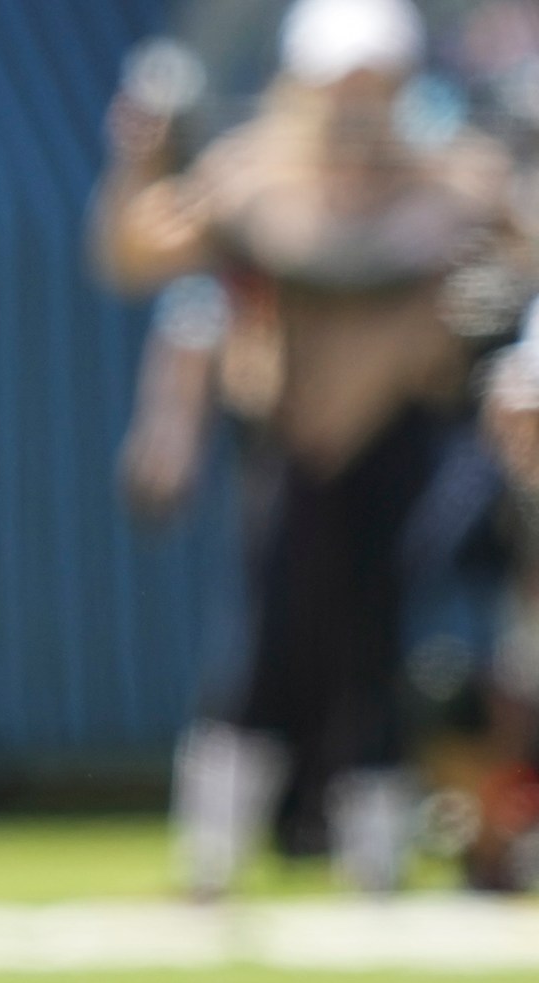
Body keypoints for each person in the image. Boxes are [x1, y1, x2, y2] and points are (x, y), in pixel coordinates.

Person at [93, 0, 518, 895]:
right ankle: (210, 860)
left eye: (377, 84)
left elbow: (509, 243)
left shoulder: (457, 181)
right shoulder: (251, 179)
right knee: (264, 648)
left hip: (404, 442)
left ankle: (375, 863)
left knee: (382, 648)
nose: (359, 107)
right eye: (342, 84)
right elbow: (135, 255)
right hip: (290, 444)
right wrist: (138, 155)